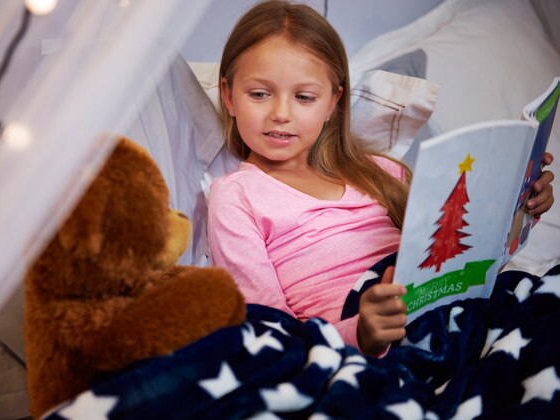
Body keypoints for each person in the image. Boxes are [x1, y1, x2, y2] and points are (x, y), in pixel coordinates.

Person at [206, 0, 555, 357]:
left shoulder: (380, 172)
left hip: (444, 311)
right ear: (229, 96)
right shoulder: (236, 198)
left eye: (304, 97)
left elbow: (454, 259)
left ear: (332, 103)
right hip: (361, 340)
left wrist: (522, 208)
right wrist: (360, 332)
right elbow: (268, 328)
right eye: (260, 94)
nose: (280, 113)